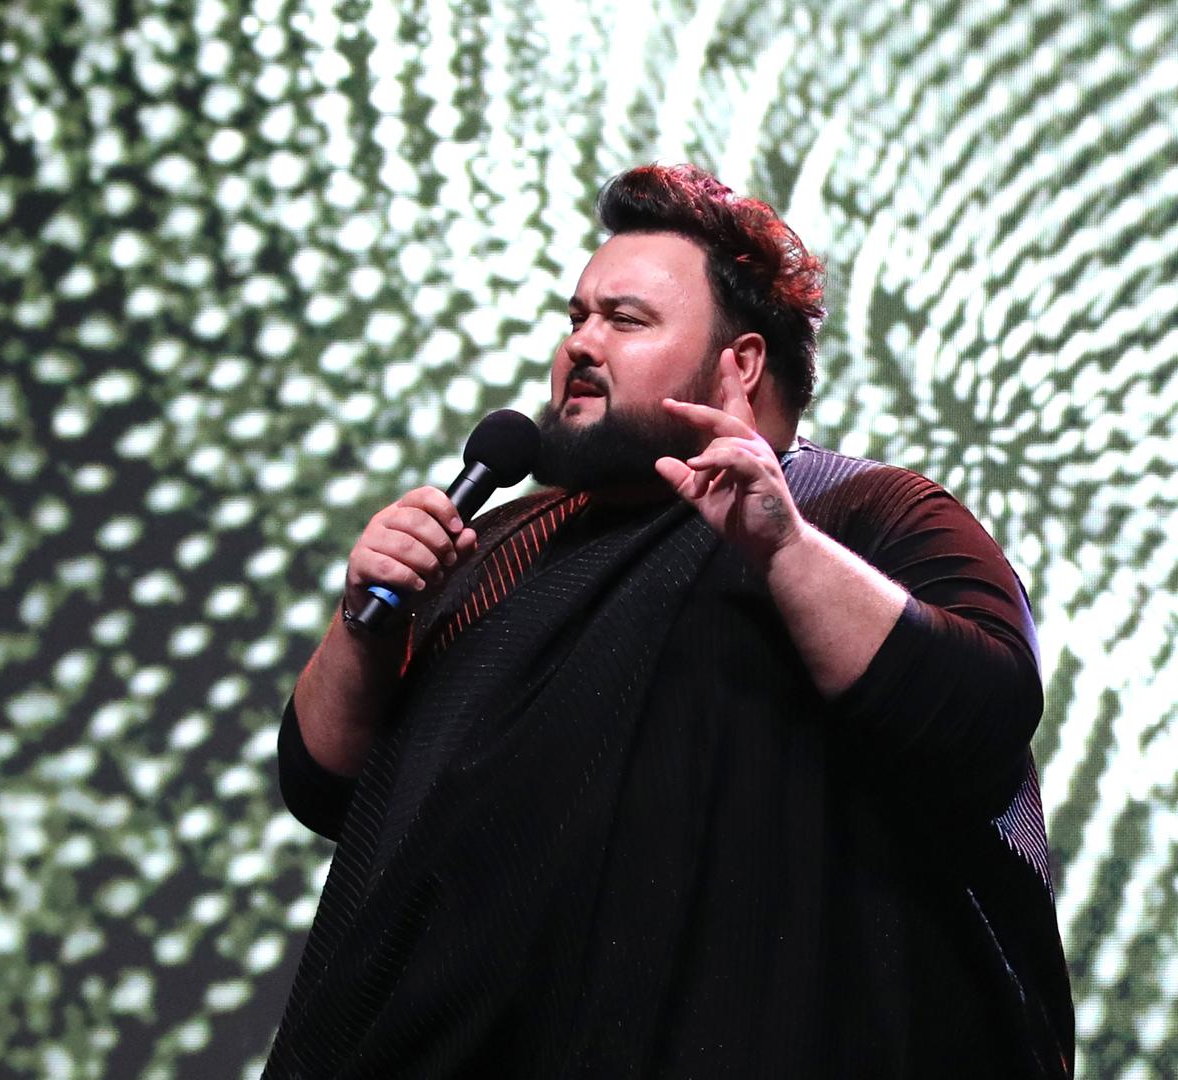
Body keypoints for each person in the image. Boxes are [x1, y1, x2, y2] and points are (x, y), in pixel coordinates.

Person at [264, 165, 1073, 1078]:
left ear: (742, 364)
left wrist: (783, 550)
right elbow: (325, 787)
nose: (580, 344)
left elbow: (983, 714)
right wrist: (363, 627)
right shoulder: (494, 547)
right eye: (576, 317)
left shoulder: (863, 510)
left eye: (625, 320)